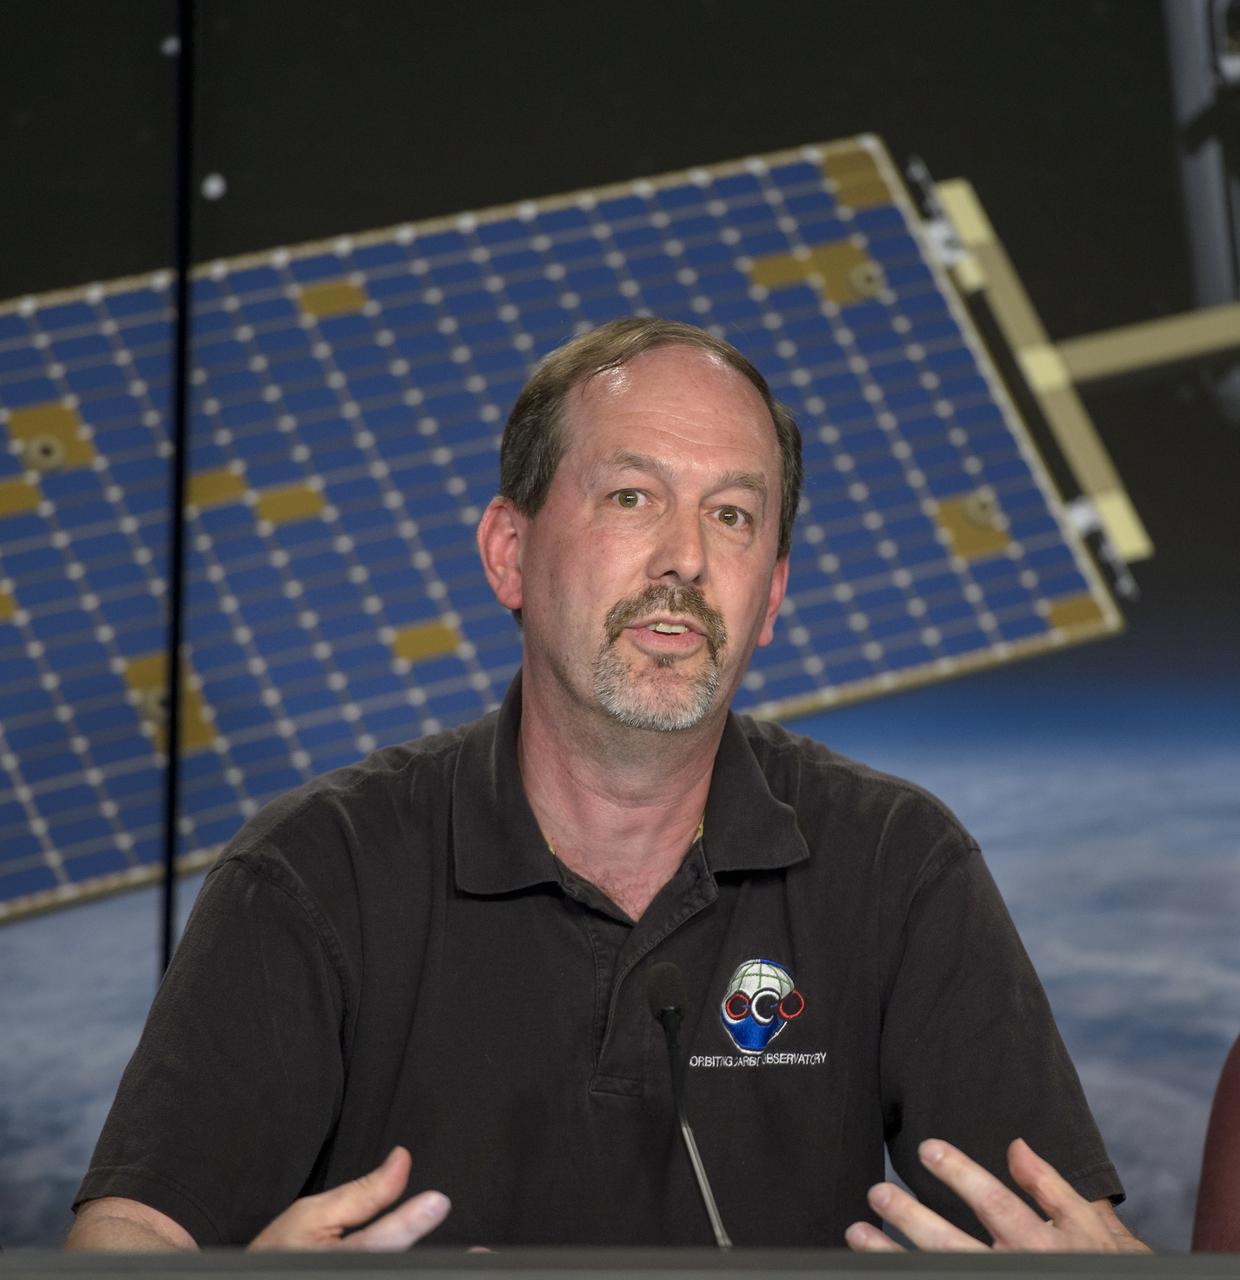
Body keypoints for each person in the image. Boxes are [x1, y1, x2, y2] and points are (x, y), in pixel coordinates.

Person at [68, 317, 1147, 1254]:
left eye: (731, 514)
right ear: (508, 555)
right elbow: (132, 1230)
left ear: (770, 597)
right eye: (632, 496)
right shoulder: (314, 867)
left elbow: (1066, 1226)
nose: (683, 555)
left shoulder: (896, 860)